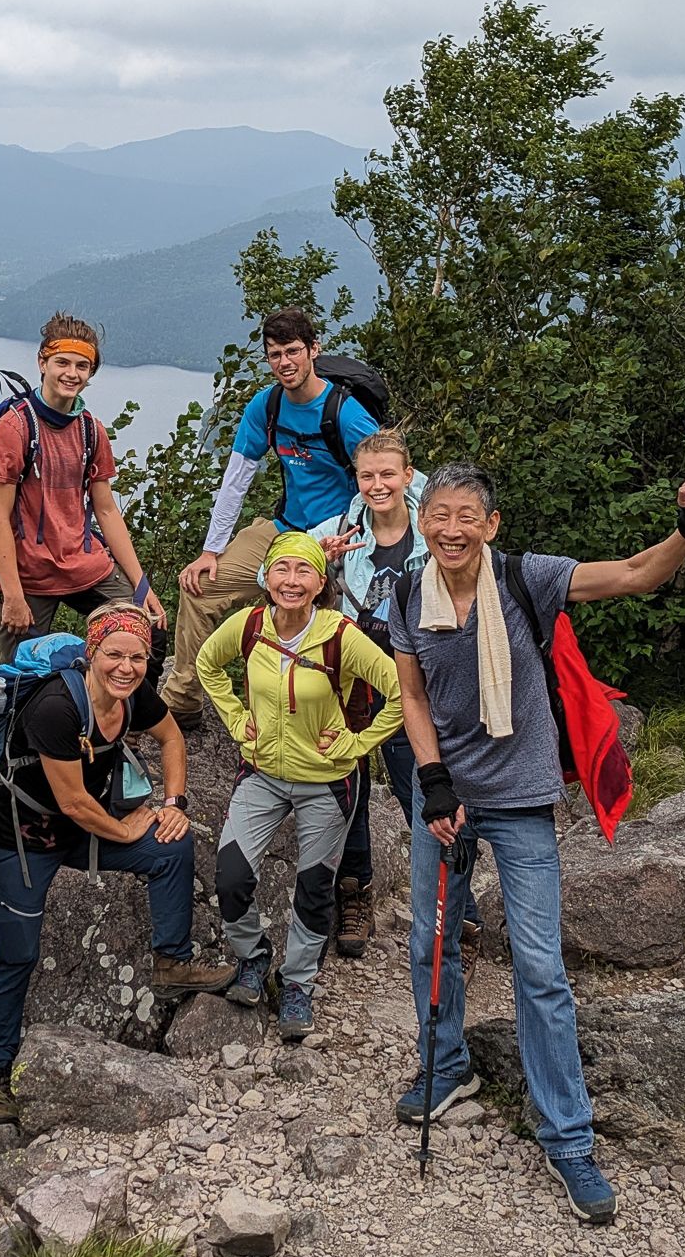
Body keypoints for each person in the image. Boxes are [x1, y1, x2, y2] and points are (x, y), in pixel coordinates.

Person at [389, 463, 685, 1226]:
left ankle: (568, 1137)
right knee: (429, 944)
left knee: (540, 968)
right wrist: (433, 783)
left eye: (466, 515)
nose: (450, 529)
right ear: (424, 520)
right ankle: (446, 1068)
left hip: (523, 799)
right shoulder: (405, 594)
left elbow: (637, 575)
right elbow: (411, 696)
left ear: (492, 524)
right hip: (444, 794)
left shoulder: (525, 578)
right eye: (438, 514)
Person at [0, 601, 234, 1124]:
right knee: (17, 954)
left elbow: (172, 737)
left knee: (170, 845)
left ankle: (172, 963)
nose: (126, 667)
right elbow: (71, 801)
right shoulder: (56, 708)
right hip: (18, 839)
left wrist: (175, 805)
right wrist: (128, 827)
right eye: (114, 654)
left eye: (137, 657)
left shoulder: (132, 697)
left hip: (79, 831)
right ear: (92, 654)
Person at [196, 531, 403, 1038]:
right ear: (266, 577)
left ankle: (297, 984)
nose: (291, 581)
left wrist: (356, 744)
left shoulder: (340, 635)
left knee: (314, 889)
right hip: (262, 773)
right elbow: (206, 664)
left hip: (327, 783)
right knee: (230, 876)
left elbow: (398, 690)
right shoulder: (247, 626)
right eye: (281, 570)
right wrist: (236, 717)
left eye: (303, 571)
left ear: (320, 582)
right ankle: (252, 957)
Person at [162, 307, 381, 729]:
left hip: (337, 539)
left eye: (294, 351)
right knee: (200, 586)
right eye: (275, 353)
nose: (285, 362)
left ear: (314, 350)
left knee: (325, 630)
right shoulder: (268, 405)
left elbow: (384, 482)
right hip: (283, 531)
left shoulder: (347, 416)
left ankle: (333, 729)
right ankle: (182, 701)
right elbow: (236, 479)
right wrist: (211, 550)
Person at [309, 428, 469, 958]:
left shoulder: (433, 527)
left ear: (406, 475)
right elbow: (273, 570)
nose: (377, 485)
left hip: (408, 677)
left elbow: (475, 569)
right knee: (347, 788)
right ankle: (355, 894)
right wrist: (319, 561)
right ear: (356, 479)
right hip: (351, 679)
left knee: (419, 788)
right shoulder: (341, 526)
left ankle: (455, 908)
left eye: (386, 474)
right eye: (366, 475)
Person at [0, 313, 166, 662]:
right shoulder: (15, 427)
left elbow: (107, 509)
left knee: (147, 630)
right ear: (42, 362)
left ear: (91, 372)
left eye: (82, 365)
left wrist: (142, 587)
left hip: (84, 566)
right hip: (30, 576)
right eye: (62, 362)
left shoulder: (90, 430)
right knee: (21, 676)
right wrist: (12, 596)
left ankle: (128, 715)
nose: (71, 373)